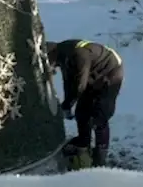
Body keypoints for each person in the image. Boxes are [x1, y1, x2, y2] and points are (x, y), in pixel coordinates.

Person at [46, 39, 124, 168]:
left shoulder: (78, 55)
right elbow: (68, 82)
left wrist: (67, 105)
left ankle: (100, 155)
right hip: (93, 71)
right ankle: (83, 143)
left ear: (52, 56)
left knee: (100, 115)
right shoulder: (64, 54)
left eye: (51, 64)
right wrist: (68, 104)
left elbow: (79, 85)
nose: (53, 68)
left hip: (111, 70)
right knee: (81, 112)